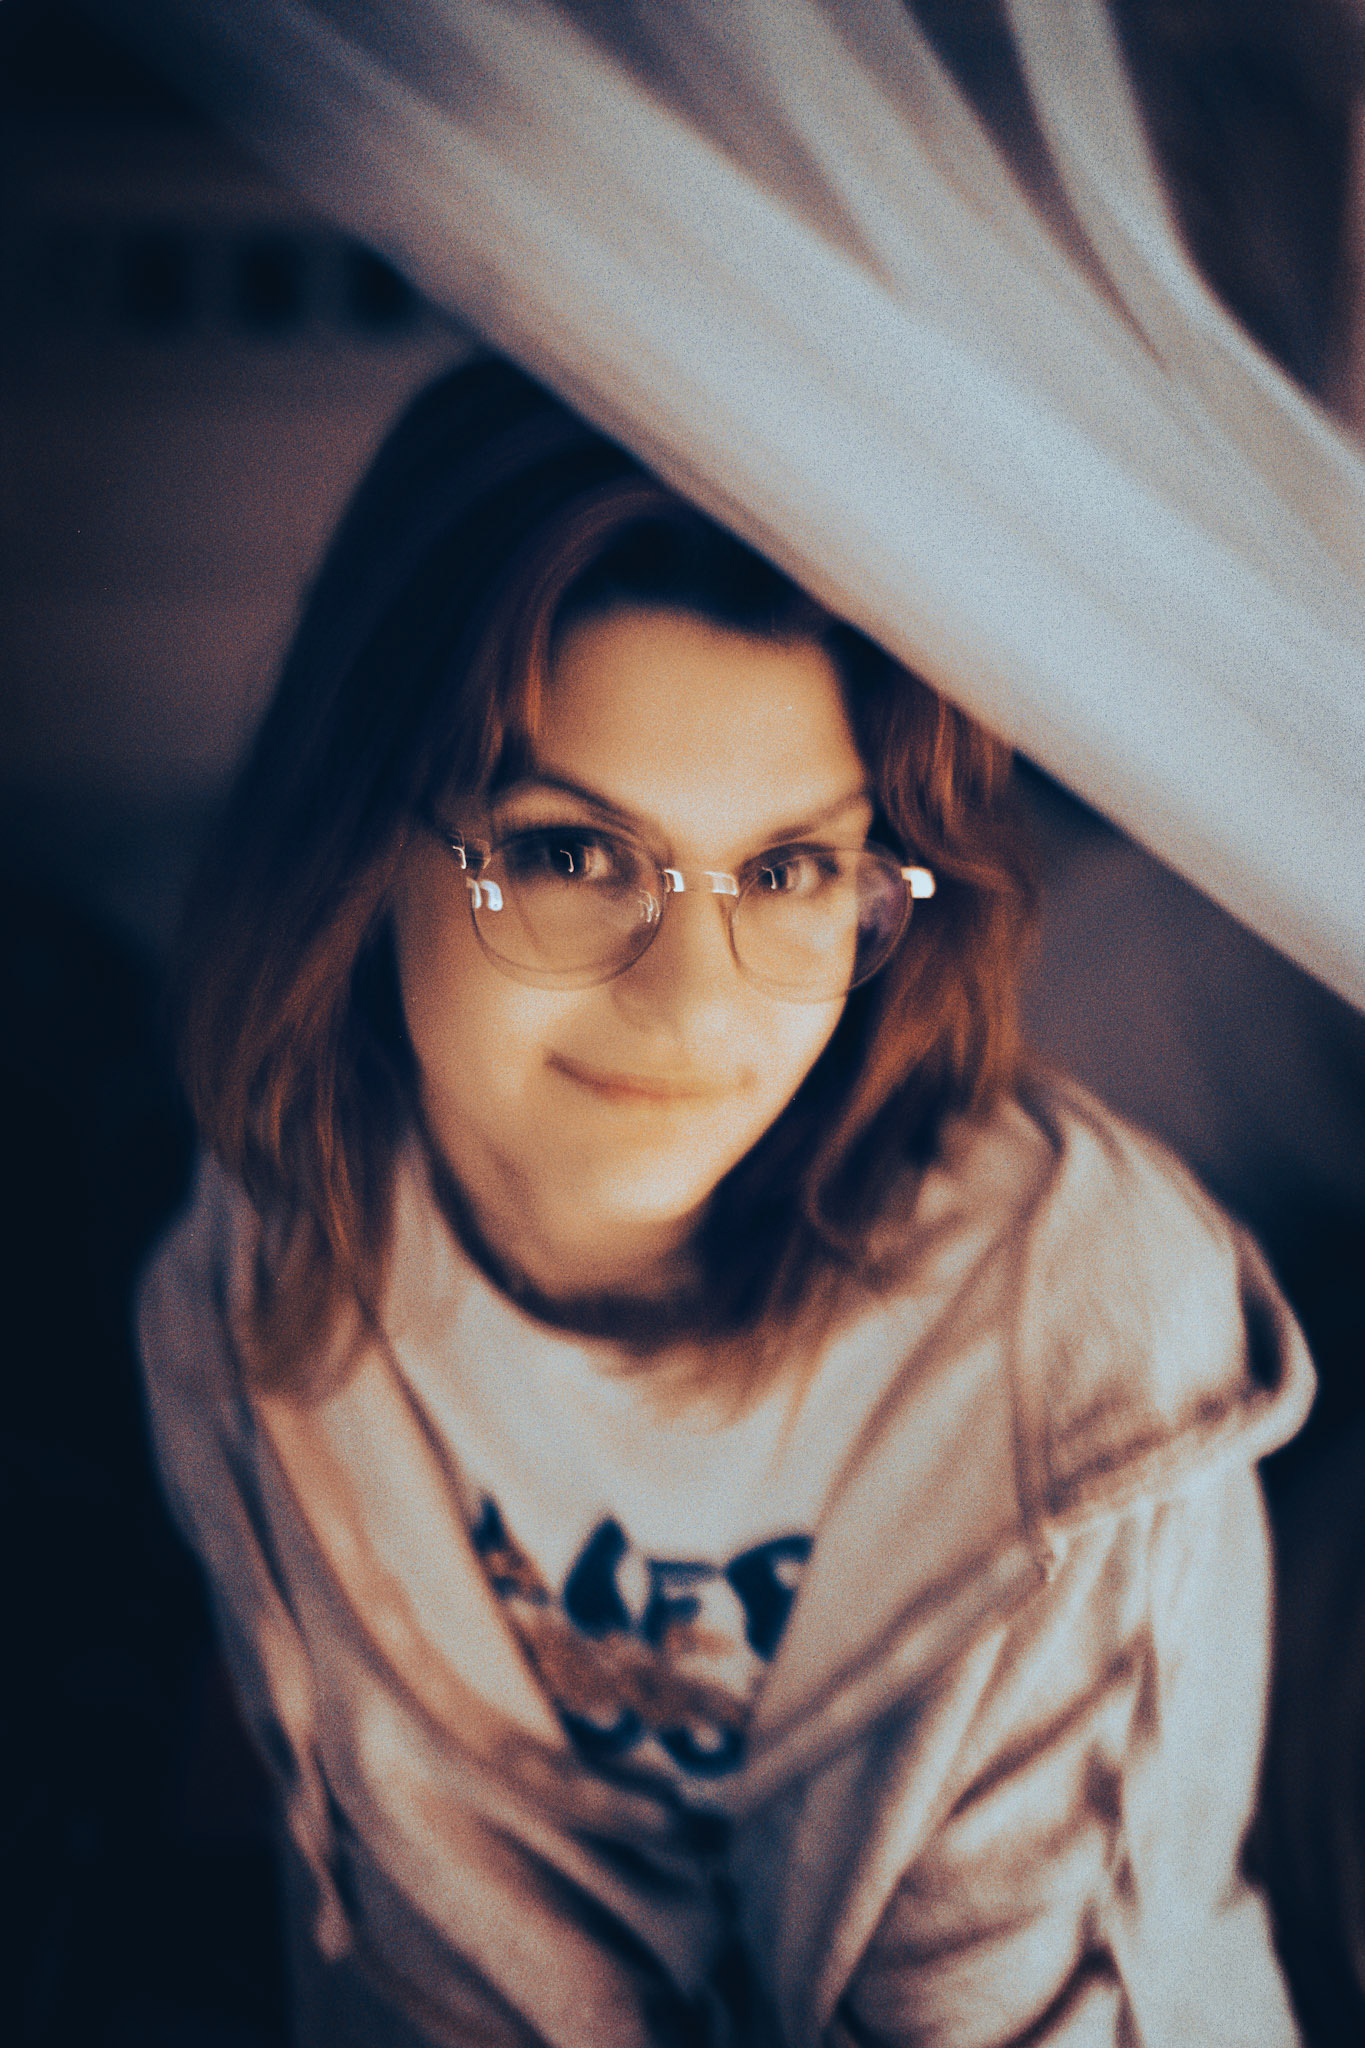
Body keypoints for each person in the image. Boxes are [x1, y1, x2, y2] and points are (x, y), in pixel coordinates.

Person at [139, 357, 1314, 2048]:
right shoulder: (262, 1276)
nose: (695, 1003)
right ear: (358, 842)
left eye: (787, 870)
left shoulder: (1086, 1361)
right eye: (566, 852)